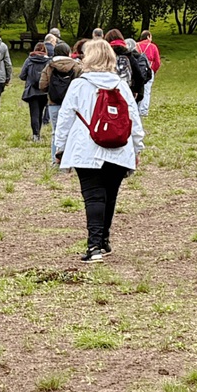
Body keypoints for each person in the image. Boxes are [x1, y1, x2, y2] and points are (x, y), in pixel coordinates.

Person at [53, 39, 144, 263]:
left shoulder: (79, 85)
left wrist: (60, 147)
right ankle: (103, 240)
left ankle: (93, 246)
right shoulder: (121, 86)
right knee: (110, 195)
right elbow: (134, 119)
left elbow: (64, 119)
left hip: (86, 148)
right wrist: (137, 148)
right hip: (119, 148)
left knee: (93, 196)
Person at [39, 41, 81, 164]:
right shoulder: (76, 66)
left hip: (54, 103)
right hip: (72, 104)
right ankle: (71, 161)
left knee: (56, 131)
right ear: (68, 52)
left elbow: (42, 85)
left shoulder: (50, 66)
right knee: (73, 131)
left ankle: (55, 160)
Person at [105, 29, 152, 107]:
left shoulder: (105, 55)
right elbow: (138, 75)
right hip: (126, 92)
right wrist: (136, 90)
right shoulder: (128, 55)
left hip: (107, 92)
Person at [17, 42, 50, 141]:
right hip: (44, 91)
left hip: (32, 91)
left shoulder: (29, 60)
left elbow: (22, 75)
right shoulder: (48, 61)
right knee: (41, 113)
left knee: (34, 113)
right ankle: (38, 133)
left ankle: (36, 135)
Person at [135, 30, 162, 117]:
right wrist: (153, 70)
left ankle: (135, 108)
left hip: (137, 70)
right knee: (147, 90)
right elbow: (157, 61)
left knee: (136, 89)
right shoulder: (153, 46)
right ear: (148, 37)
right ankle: (143, 110)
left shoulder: (136, 45)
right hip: (148, 70)